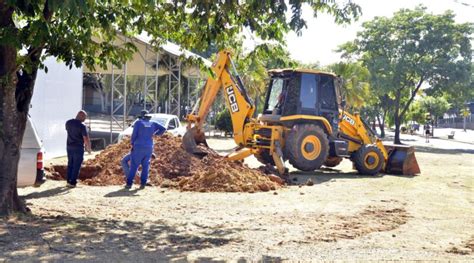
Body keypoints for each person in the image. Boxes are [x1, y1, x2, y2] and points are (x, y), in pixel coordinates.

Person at [126, 110, 166, 189]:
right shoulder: (153, 123)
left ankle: (129, 184)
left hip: (138, 147)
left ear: (141, 116)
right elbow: (164, 128)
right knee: (145, 166)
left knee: (134, 166)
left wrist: (132, 143)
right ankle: (143, 184)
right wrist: (156, 134)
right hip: (149, 147)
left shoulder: (138, 123)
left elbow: (134, 135)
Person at [65, 110, 91, 188]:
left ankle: (68, 180)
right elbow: (85, 138)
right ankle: (73, 182)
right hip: (78, 148)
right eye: (85, 118)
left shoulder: (68, 122)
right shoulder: (82, 126)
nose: (85, 120)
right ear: (81, 116)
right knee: (76, 165)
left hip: (69, 146)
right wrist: (88, 148)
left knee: (70, 164)